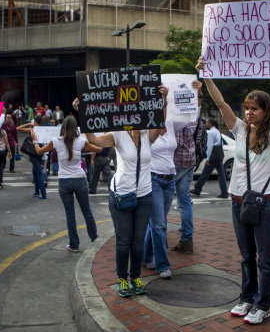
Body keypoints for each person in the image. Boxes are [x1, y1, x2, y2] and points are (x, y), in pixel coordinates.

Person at [197, 53, 270, 324]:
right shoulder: (241, 130)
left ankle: (263, 305)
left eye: (254, 108)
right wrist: (206, 74)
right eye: (247, 108)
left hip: (265, 202)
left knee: (264, 258)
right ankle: (247, 299)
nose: (249, 112)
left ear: (265, 110)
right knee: (246, 256)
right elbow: (220, 103)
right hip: (238, 202)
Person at [81, 88, 166, 298]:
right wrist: (83, 112)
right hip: (121, 194)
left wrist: (164, 100)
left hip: (145, 195)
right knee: (123, 240)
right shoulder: (118, 134)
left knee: (138, 242)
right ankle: (122, 279)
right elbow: (93, 139)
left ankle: (135, 277)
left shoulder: (148, 135)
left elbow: (160, 123)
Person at [31, 115, 100, 251]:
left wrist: (35, 140)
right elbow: (98, 149)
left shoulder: (55, 141)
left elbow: (39, 151)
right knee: (87, 211)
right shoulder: (81, 141)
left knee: (70, 214)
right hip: (80, 179)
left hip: (64, 181)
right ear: (76, 128)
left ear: (62, 127)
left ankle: (74, 244)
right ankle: (95, 241)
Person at [142, 86, 176, 279]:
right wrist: (163, 100)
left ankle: (146, 256)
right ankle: (162, 265)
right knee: (159, 225)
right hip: (153, 179)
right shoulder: (147, 129)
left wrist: (198, 94)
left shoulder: (171, 125)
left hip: (169, 180)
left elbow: (192, 116)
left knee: (156, 224)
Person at [171, 81, 203, 254]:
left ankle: (156, 241)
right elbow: (198, 103)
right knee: (185, 202)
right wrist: (199, 89)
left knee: (163, 201)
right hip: (189, 160)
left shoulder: (175, 117)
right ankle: (187, 240)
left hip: (175, 161)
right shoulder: (193, 114)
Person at [190, 117, 228, 198]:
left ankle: (197, 189)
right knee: (222, 175)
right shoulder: (217, 131)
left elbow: (210, 146)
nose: (206, 124)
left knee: (205, 173)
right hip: (219, 155)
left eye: (207, 122)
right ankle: (224, 192)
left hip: (213, 157)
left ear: (210, 124)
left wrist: (207, 158)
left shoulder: (211, 133)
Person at [17, 115, 47, 199]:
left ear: (35, 122)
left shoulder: (32, 130)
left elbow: (18, 128)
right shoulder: (43, 130)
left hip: (33, 153)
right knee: (36, 172)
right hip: (40, 152)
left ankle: (43, 194)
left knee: (39, 174)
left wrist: (28, 124)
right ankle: (37, 191)